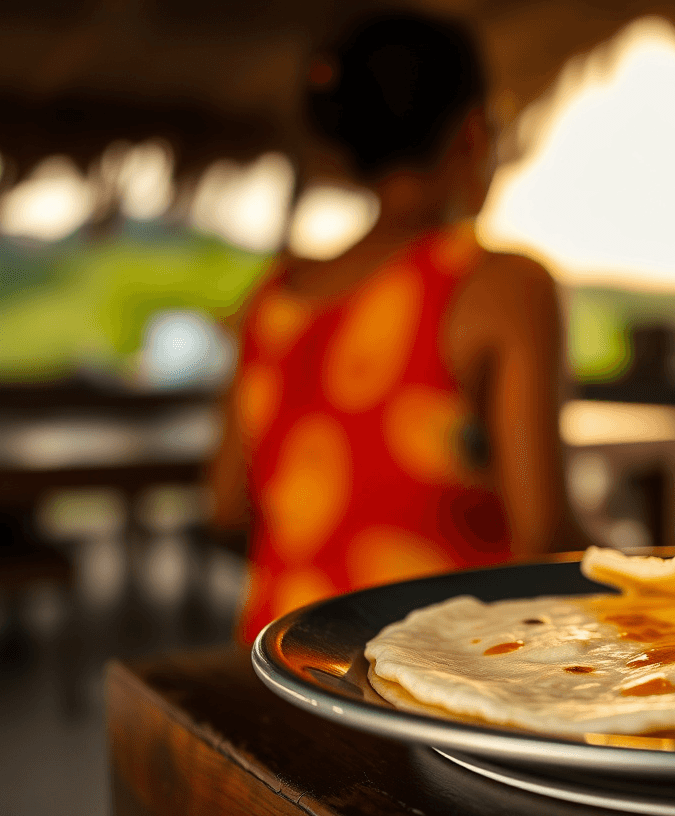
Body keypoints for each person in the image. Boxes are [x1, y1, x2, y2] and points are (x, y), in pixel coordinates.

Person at [208, 11, 576, 643]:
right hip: (426, 685)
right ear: (471, 132)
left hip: (278, 667)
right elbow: (543, 538)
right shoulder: (500, 286)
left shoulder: (278, 296)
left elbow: (224, 506)